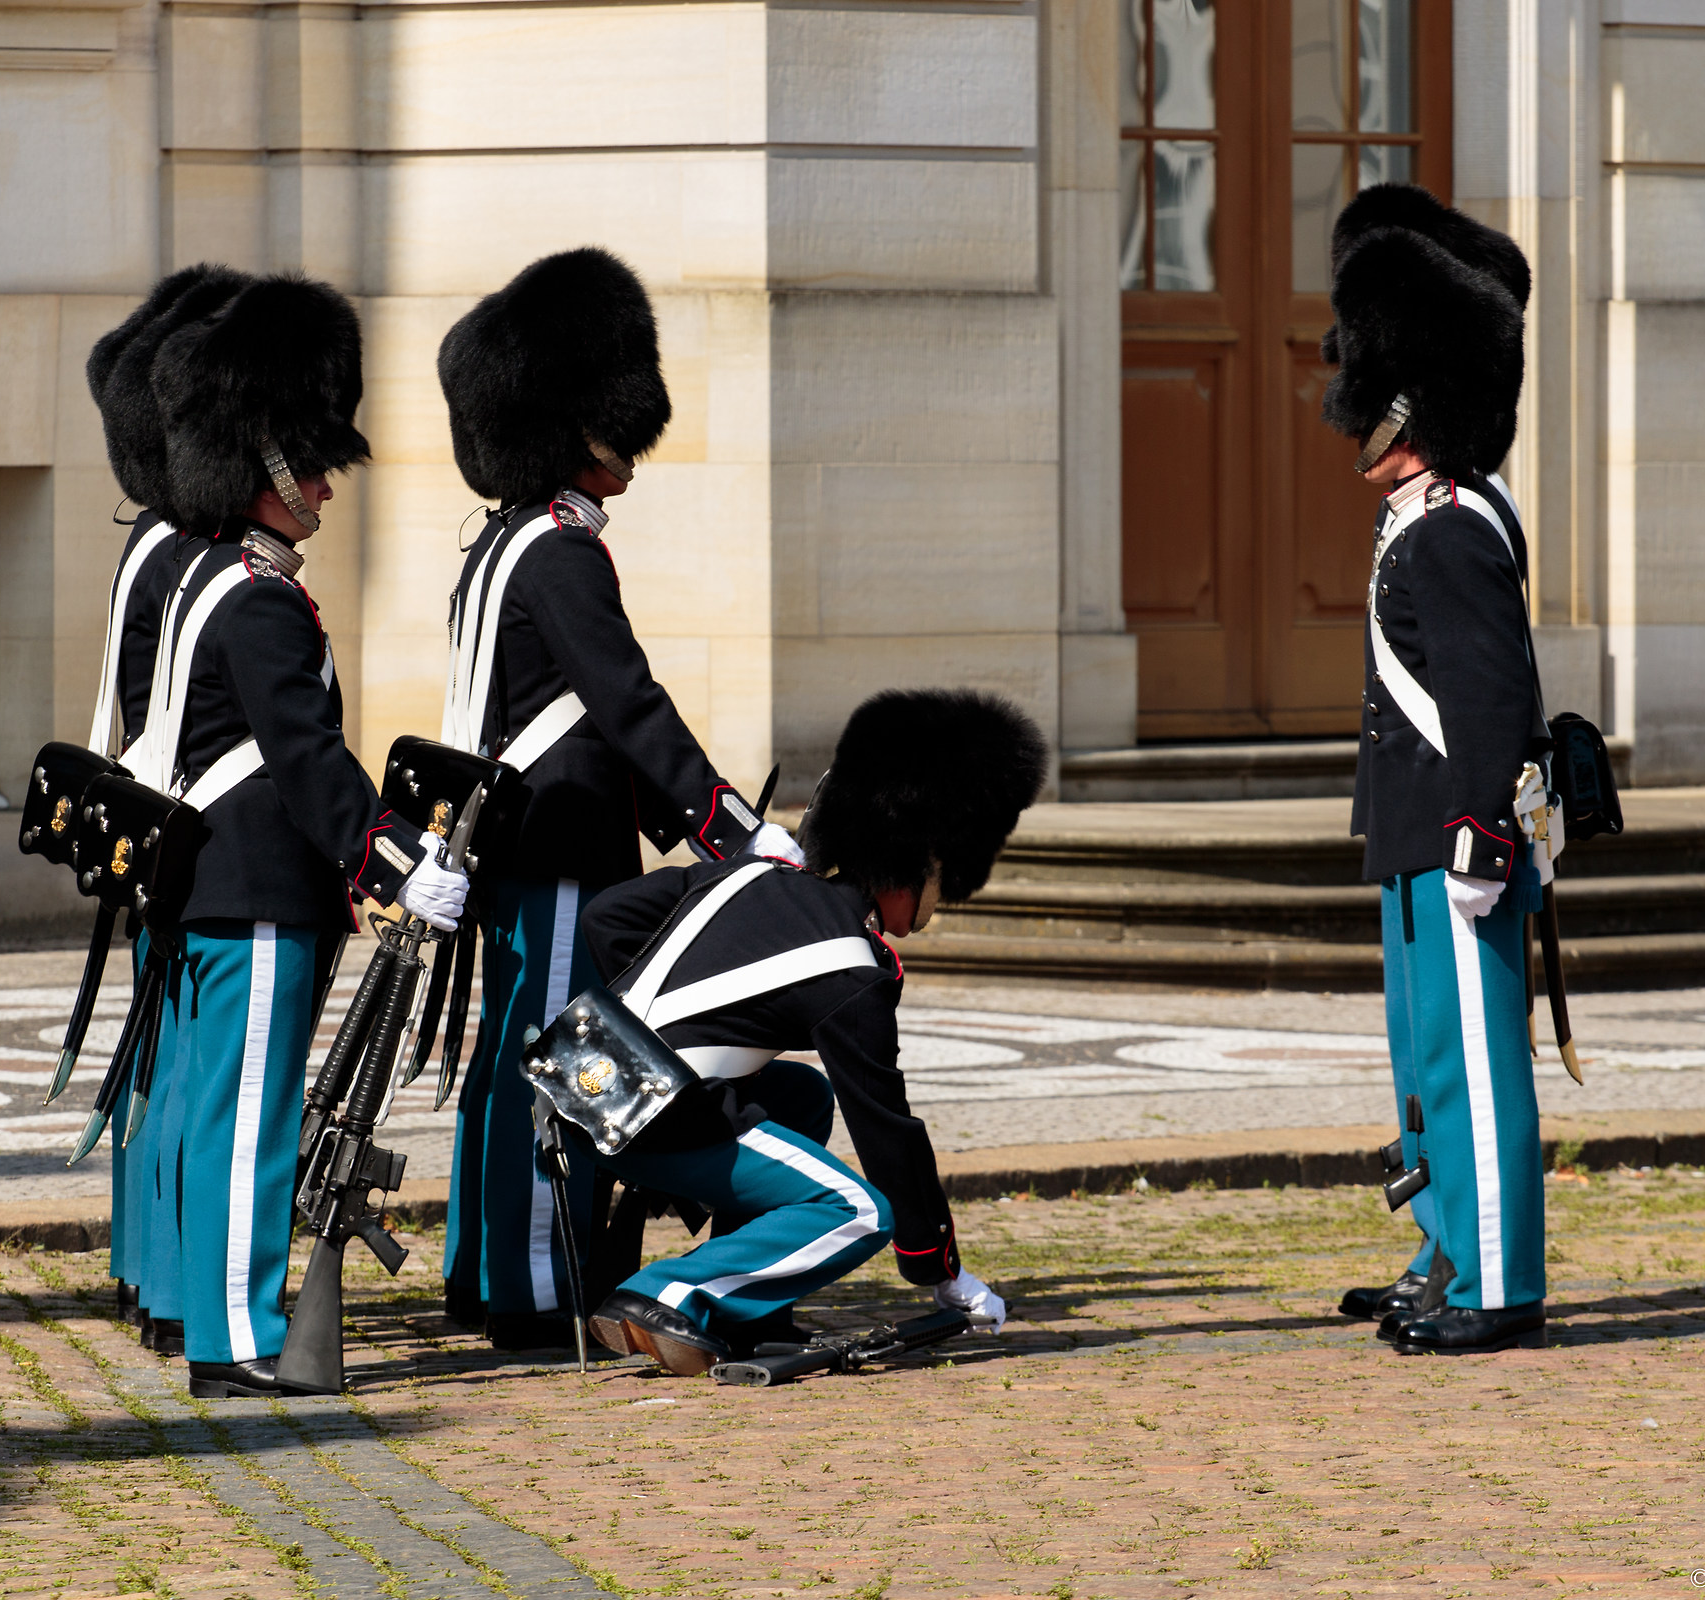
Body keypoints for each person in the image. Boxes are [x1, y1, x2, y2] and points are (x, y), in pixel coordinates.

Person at [433, 247, 801, 1350]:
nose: (627, 450)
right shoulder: (559, 554)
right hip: (557, 853)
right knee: (559, 1069)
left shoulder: (509, 543)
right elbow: (630, 706)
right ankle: (535, 1291)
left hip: (532, 838)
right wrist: (732, 827)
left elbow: (595, 716)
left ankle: (485, 1271)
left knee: (509, 1065)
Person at [130, 271, 471, 1398]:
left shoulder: (207, 576)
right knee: (253, 1128)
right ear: (263, 461)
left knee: (217, 1106)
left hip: (217, 881)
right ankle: (238, 1339)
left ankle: (201, 1307)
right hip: (258, 887)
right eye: (311, 462)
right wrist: (395, 859)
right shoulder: (259, 598)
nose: (326, 484)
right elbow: (306, 758)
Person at [567, 688, 1045, 1374]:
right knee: (859, 1210)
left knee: (800, 1097)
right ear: (910, 864)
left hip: (580, 1080)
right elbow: (887, 1128)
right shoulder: (853, 968)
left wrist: (655, 1029)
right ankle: (669, 1293)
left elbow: (609, 919)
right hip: (655, 1111)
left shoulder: (748, 879)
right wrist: (943, 1273)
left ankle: (754, 1309)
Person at [1317, 184, 1553, 1356]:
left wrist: (1480, 830)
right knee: (1427, 1066)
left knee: (1474, 1065)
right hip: (1413, 831)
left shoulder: (1452, 521)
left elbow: (1488, 693)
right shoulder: (1424, 512)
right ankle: (1448, 1247)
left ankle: (1498, 1282)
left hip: (1457, 836)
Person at [77, 262, 248, 1355]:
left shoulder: (159, 544)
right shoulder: (199, 561)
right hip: (205, 839)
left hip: (166, 828)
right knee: (188, 1080)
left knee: (165, 1073)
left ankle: (156, 1274)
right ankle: (181, 1288)